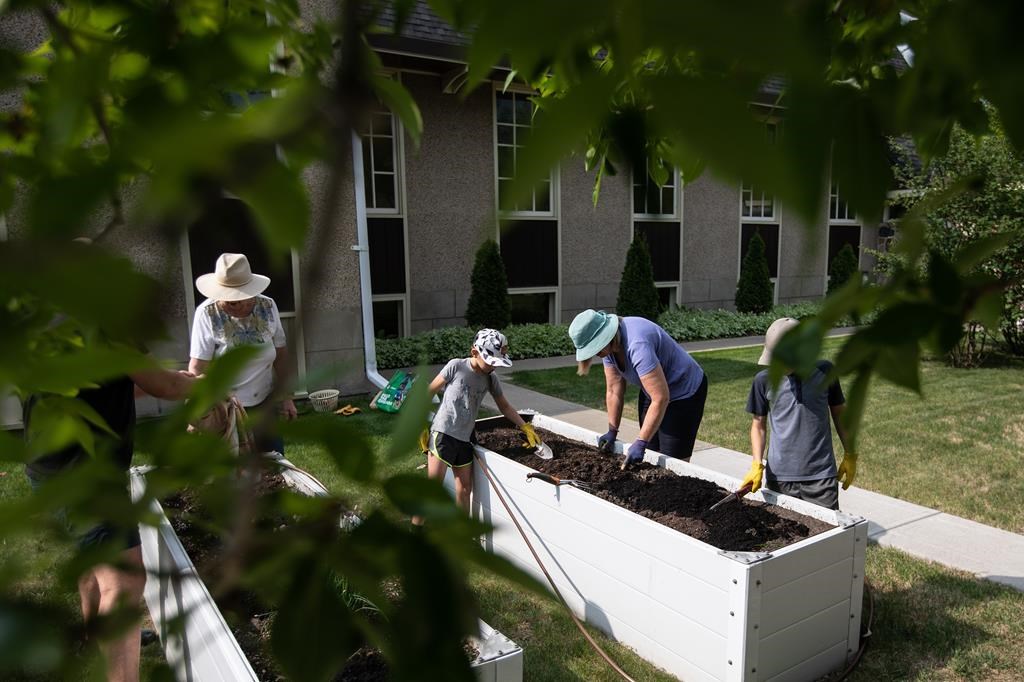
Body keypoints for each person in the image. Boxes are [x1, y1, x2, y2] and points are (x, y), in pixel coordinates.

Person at [24, 367, 196, 682]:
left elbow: (108, 384)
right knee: (123, 581)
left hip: (47, 466)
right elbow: (165, 387)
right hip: (87, 475)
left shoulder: (59, 320)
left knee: (93, 559)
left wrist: (163, 377)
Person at [415, 329, 544, 522]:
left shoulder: (490, 378)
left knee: (465, 489)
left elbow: (505, 406)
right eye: (491, 362)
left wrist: (524, 426)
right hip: (443, 433)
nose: (494, 367)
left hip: (465, 438)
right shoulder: (456, 366)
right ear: (474, 352)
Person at [740, 317, 857, 510]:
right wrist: (756, 464)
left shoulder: (825, 371)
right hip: (779, 477)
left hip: (821, 477)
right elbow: (758, 425)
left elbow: (840, 415)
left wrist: (851, 453)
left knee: (826, 537)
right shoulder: (763, 381)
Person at [569, 309, 708, 467]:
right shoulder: (609, 349)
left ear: (605, 337)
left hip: (684, 391)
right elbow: (614, 390)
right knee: (651, 450)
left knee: (673, 462)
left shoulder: (637, 345)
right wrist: (612, 430)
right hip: (653, 393)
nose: (595, 353)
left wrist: (641, 441)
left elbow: (661, 398)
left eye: (595, 348)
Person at [188, 253, 296, 453]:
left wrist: (287, 397)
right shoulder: (207, 314)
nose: (232, 305)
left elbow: (281, 356)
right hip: (226, 408)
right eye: (226, 300)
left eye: (236, 301)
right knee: (235, 471)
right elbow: (197, 367)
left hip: (265, 403)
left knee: (274, 464)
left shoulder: (268, 306)